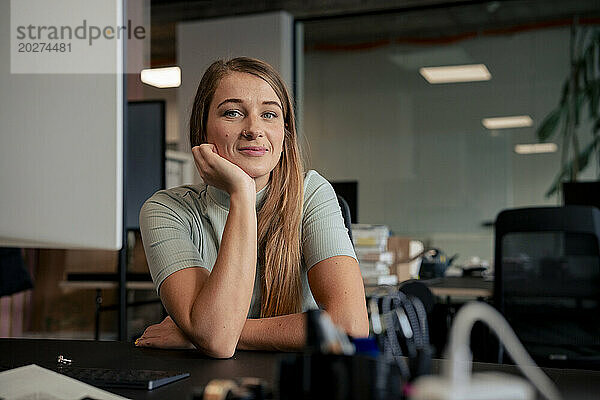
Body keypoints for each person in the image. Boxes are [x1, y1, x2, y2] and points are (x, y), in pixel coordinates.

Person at [136, 57, 369, 358]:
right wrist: (242, 193)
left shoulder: (311, 193)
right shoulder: (165, 210)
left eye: (269, 114)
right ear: (202, 129)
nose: (254, 129)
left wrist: (202, 332)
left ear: (285, 135)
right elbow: (217, 342)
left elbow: (349, 325)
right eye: (232, 113)